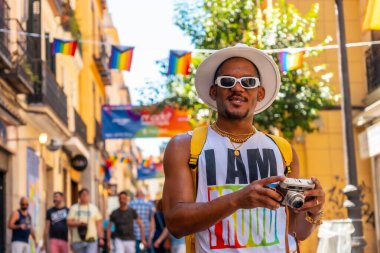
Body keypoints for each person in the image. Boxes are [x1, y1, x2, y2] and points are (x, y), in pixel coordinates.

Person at [163, 44, 326, 252]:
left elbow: (296, 230)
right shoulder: (185, 146)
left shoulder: (284, 150)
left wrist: (314, 209)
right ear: (214, 91)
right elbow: (176, 223)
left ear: (260, 93)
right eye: (227, 81)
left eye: (248, 82)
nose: (238, 88)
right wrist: (237, 199)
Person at [67, 188, 104, 253]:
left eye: (87, 195)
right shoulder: (74, 208)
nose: (85, 196)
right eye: (83, 195)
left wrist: (101, 238)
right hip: (78, 239)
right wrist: (78, 224)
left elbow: (98, 224)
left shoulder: (94, 208)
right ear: (79, 196)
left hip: (91, 239)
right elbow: (68, 222)